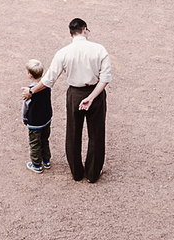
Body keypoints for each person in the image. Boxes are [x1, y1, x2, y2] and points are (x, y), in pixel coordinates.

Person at [25, 18, 111, 182]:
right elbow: (105, 79)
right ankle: (93, 173)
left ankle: (76, 172)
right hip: (96, 93)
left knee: (73, 133)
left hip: (74, 95)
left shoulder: (63, 52)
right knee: (97, 134)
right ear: (85, 30)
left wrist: (31, 91)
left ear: (70, 33)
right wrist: (92, 97)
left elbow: (48, 80)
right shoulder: (99, 49)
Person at [21, 59, 52, 173]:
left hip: (35, 122)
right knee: (45, 139)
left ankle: (36, 164)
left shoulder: (29, 91)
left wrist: (24, 118)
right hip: (46, 119)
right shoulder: (46, 86)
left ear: (30, 75)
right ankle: (46, 160)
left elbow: (25, 107)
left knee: (34, 143)